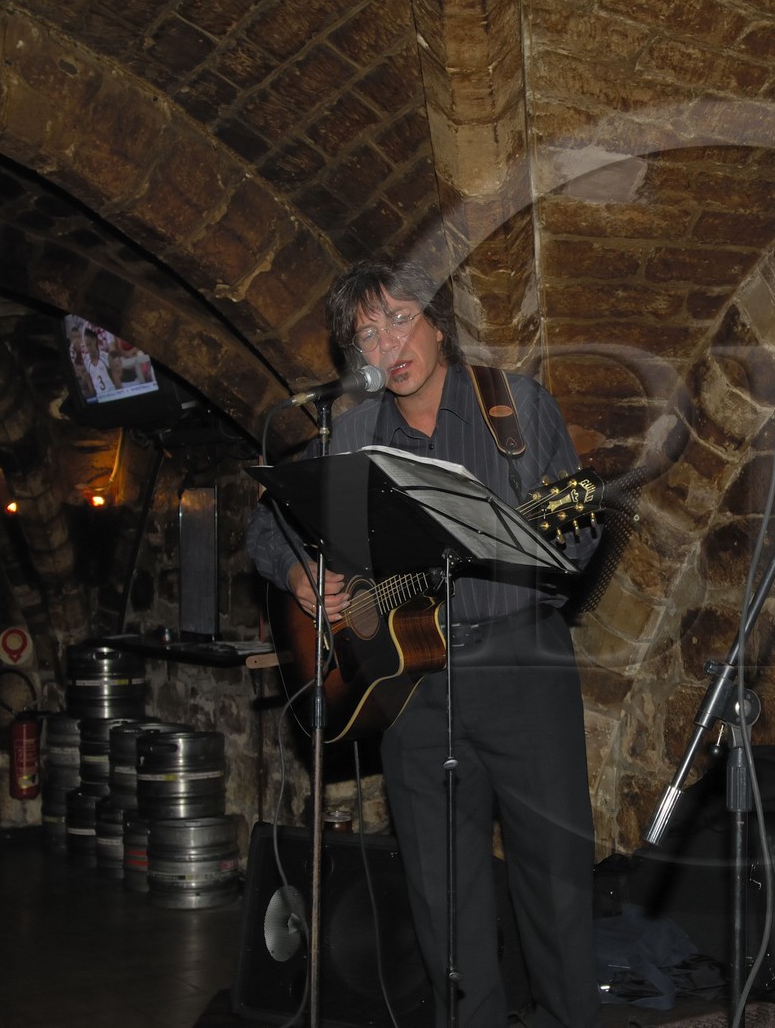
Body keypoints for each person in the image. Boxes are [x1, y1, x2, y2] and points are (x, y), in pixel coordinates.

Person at [246, 259, 601, 1028]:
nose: (388, 344)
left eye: (400, 319)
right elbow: (266, 521)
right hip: (405, 690)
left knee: (557, 886)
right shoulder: (352, 431)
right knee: (444, 902)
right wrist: (303, 575)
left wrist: (541, 538)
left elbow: (582, 540)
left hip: (520, 665)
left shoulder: (512, 407)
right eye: (366, 335)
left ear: (438, 324)